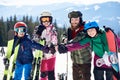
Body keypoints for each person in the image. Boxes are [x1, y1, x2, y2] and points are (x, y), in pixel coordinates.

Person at [59, 11, 92, 80]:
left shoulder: (85, 30)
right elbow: (64, 35)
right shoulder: (70, 29)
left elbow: (77, 41)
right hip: (75, 61)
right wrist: (64, 39)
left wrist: (66, 45)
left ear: (80, 19)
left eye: (76, 19)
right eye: (72, 20)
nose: (74, 22)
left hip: (85, 61)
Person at [36, 11, 57, 80]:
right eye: (43, 20)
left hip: (50, 54)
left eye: (47, 19)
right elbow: (35, 41)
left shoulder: (52, 29)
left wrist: (52, 45)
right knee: (43, 73)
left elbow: (54, 38)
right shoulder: (38, 28)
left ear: (50, 20)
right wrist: (38, 33)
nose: (45, 21)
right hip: (41, 54)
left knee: (50, 71)